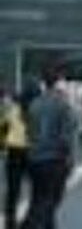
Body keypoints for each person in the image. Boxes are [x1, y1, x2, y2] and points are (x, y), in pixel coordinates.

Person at [21, 65, 78, 229]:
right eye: (64, 81)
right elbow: (66, 136)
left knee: (38, 198)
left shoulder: (34, 104)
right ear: (58, 83)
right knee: (50, 201)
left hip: (34, 158)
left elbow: (29, 132)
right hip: (54, 159)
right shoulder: (63, 105)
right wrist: (70, 160)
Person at [3, 83, 40, 229]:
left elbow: (3, 127)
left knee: (13, 190)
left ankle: (10, 221)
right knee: (37, 188)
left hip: (14, 151)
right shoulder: (37, 110)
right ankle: (31, 220)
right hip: (32, 152)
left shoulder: (13, 109)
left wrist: (3, 145)